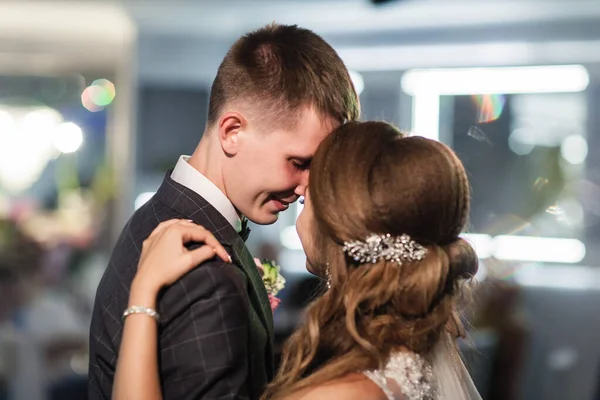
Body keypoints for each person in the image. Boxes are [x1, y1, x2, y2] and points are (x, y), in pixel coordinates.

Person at [112, 121, 483, 400]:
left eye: (309, 196)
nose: (297, 187)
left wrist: (143, 296)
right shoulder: (409, 360)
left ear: (339, 223)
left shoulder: (338, 395)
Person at [88, 23, 360, 400]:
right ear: (232, 131)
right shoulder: (202, 269)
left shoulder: (158, 215)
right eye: (299, 161)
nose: (307, 186)